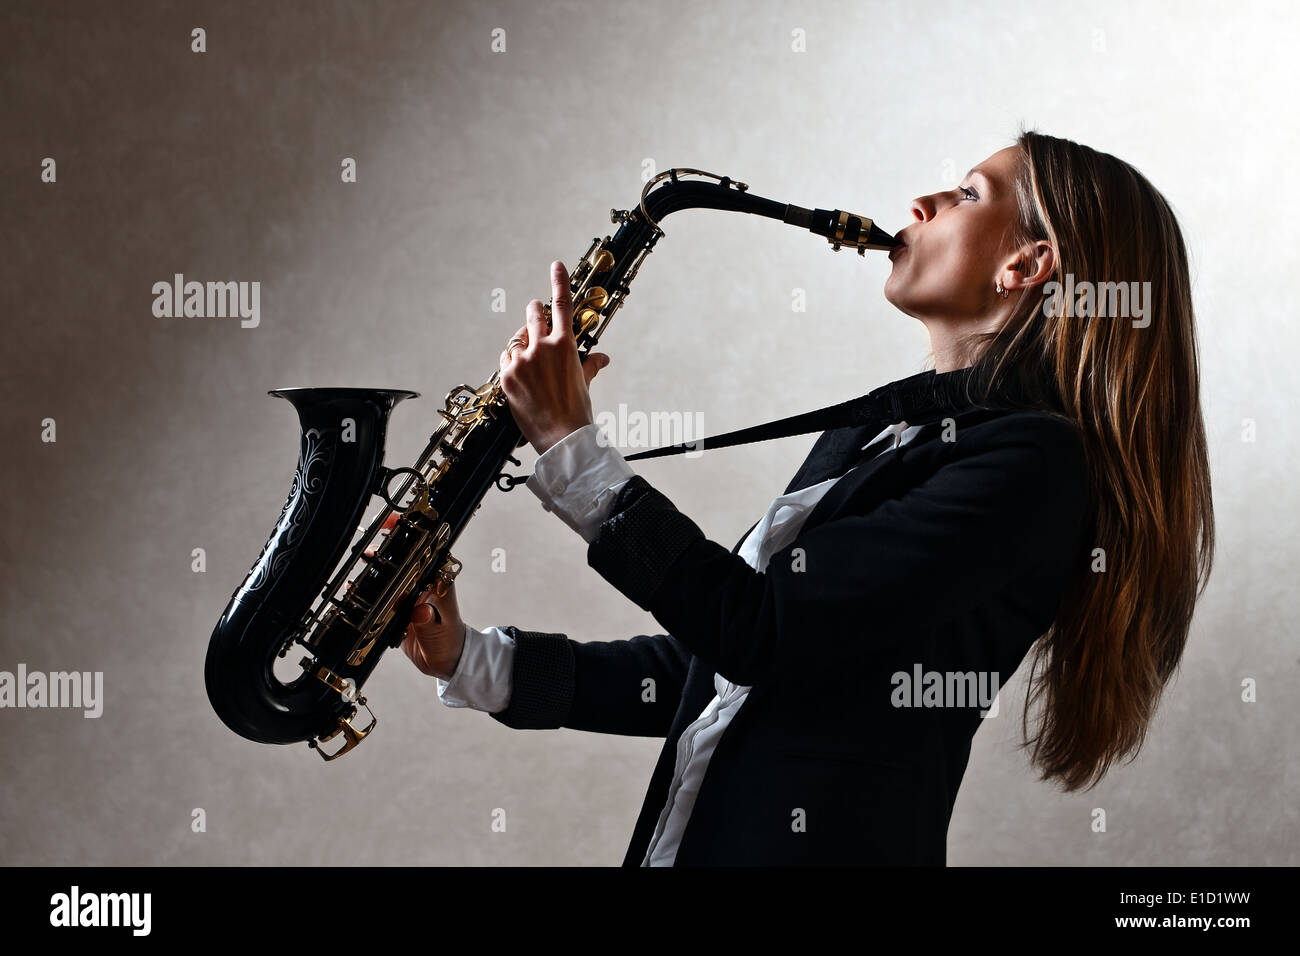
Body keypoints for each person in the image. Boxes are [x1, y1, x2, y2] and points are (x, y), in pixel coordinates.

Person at [400, 129, 1215, 866]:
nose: (921, 205)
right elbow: (724, 665)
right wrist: (472, 660)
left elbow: (760, 631)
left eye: (968, 193)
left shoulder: (1031, 466)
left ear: (1027, 266)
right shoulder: (886, 431)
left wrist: (572, 449)